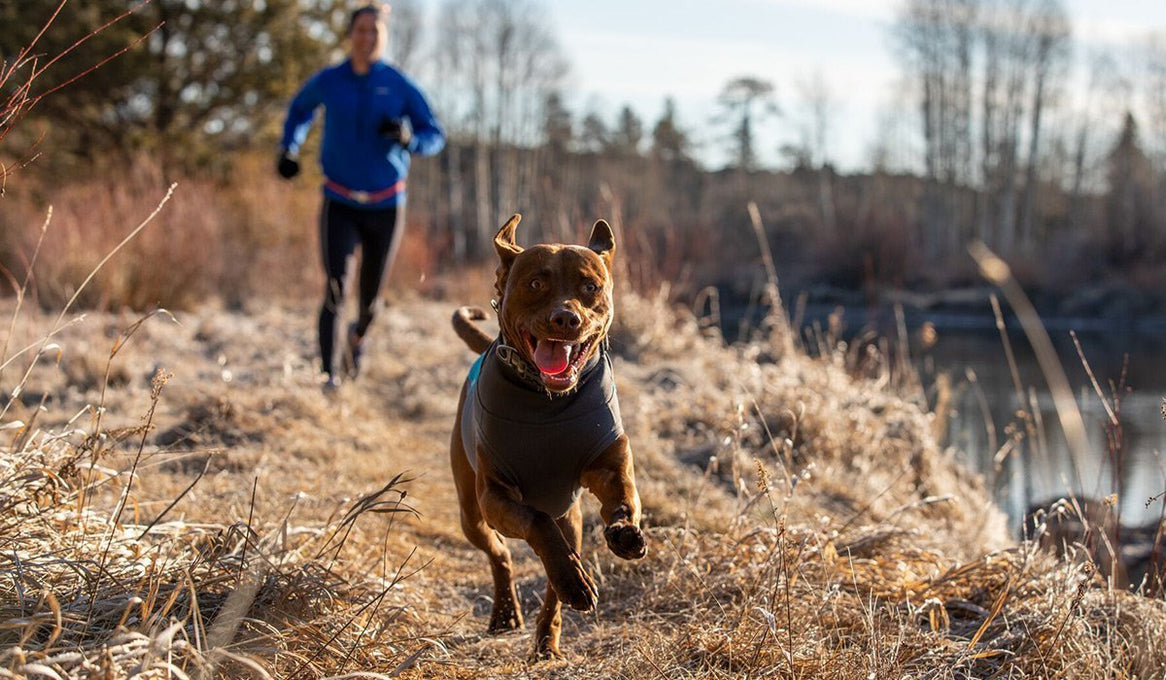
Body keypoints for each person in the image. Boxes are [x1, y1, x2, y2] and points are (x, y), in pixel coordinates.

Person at [277, 2, 444, 390]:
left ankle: (357, 337)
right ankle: (329, 378)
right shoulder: (331, 80)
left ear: (384, 37)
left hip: (386, 205)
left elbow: (435, 135)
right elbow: (300, 110)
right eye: (361, 30)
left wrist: (409, 138)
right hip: (339, 201)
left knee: (370, 302)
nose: (367, 38)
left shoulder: (399, 85)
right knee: (336, 287)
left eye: (375, 31)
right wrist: (289, 148)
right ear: (351, 35)